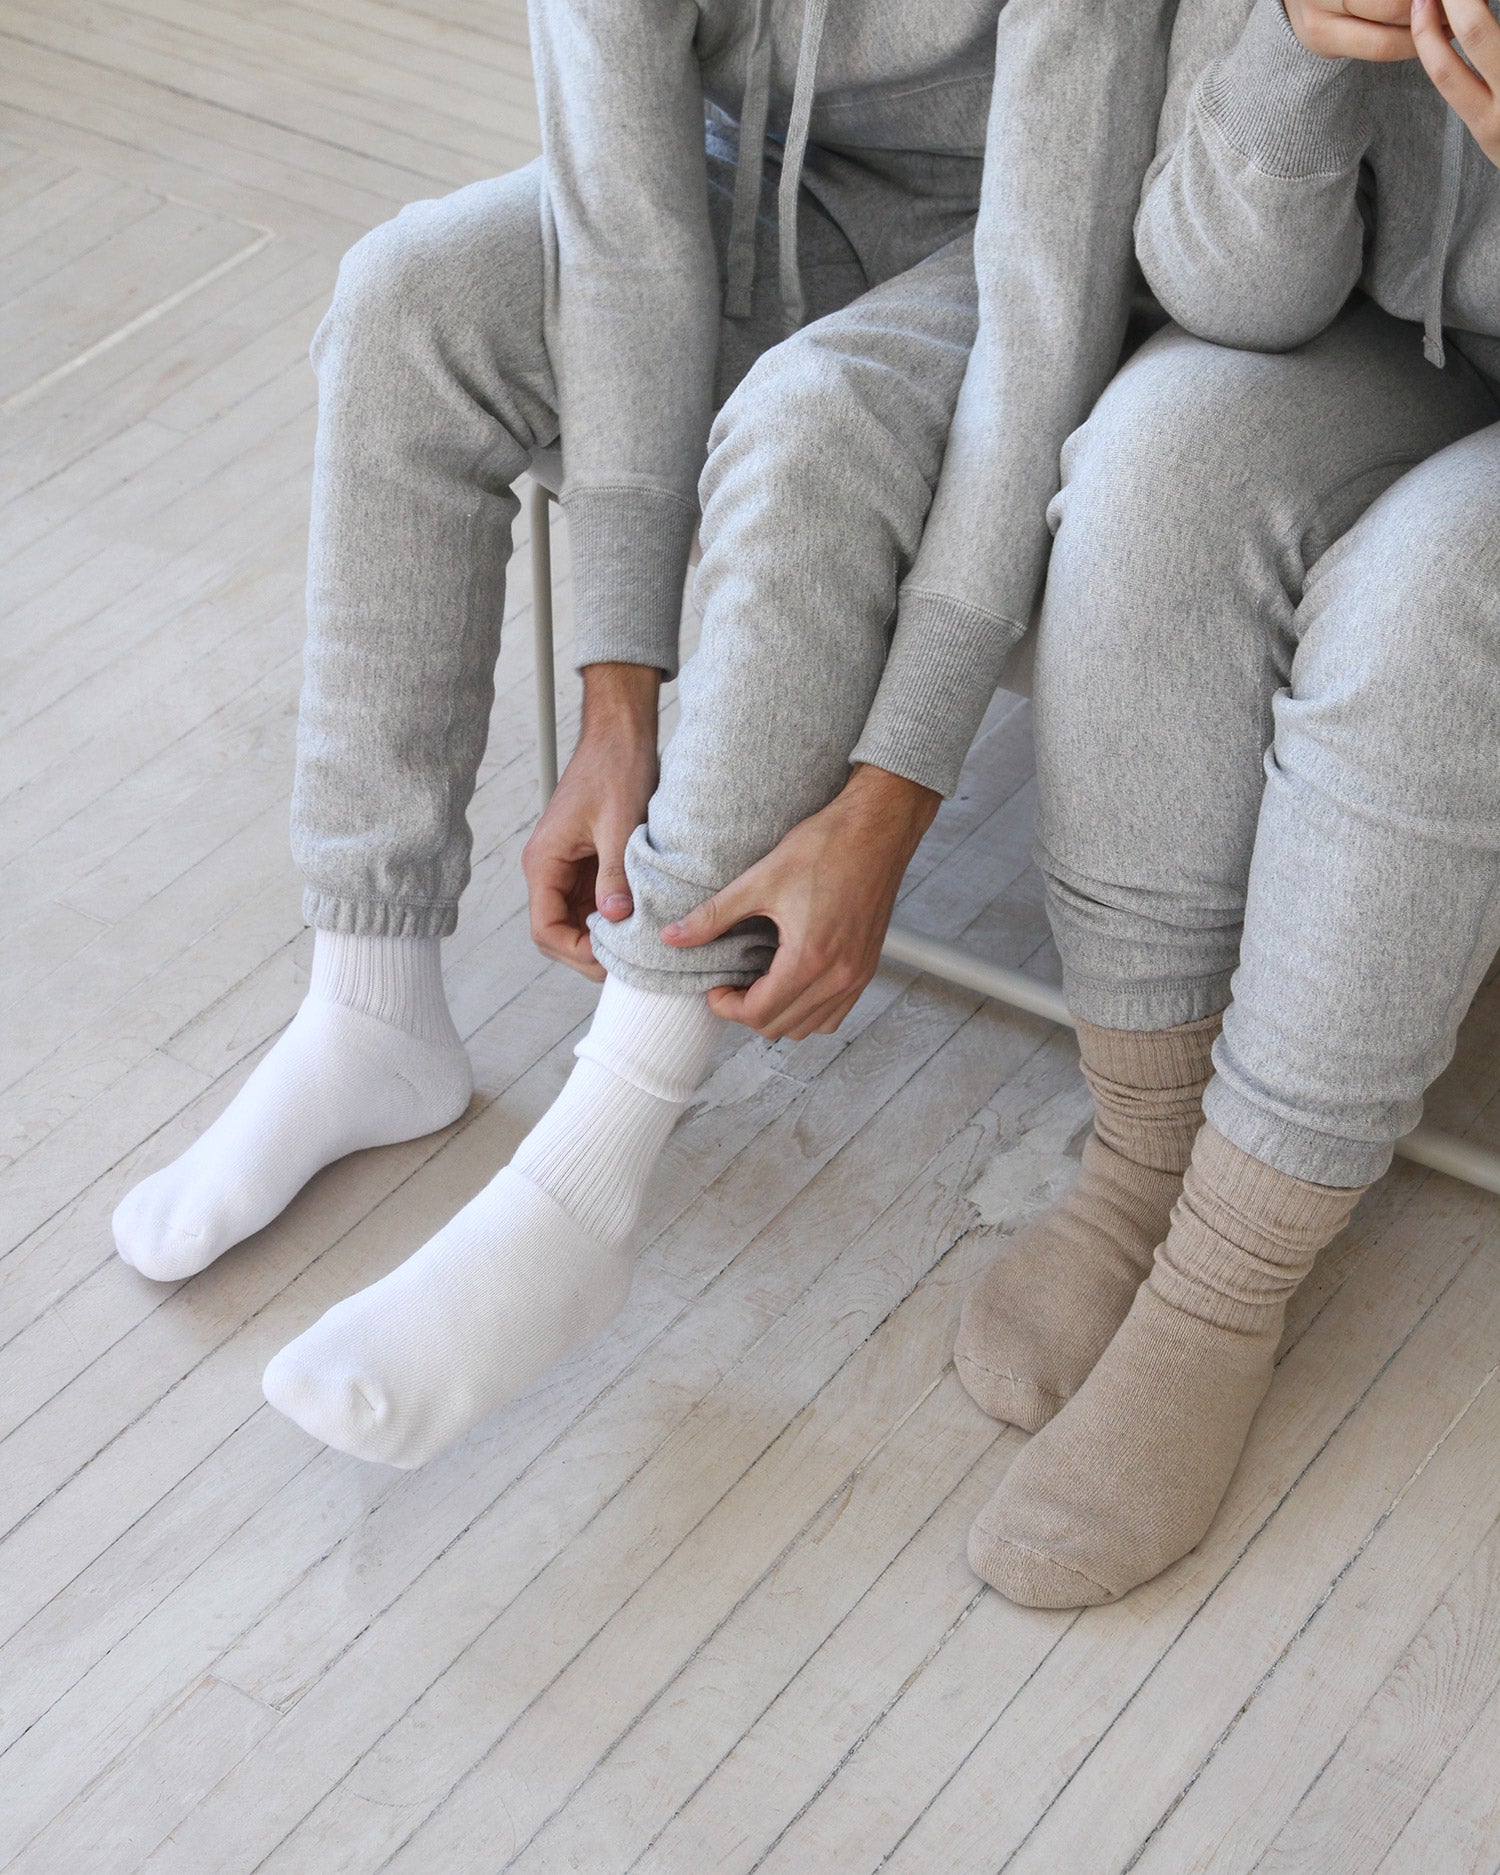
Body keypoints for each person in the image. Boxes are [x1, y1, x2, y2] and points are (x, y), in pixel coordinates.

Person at [111, 1, 1175, 1469]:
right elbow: (625, 229)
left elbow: (1048, 291)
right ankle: (370, 998)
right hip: (759, 186)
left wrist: (899, 789)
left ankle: (593, 1169)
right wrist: (621, 699)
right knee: (409, 296)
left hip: (1043, 227)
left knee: (814, 425)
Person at [955, 0, 1500, 1607]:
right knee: (1157, 459)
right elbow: (1227, 295)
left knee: (1434, 602)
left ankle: (1222, 1287)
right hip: (1395, 358)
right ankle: (1144, 1154)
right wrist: (1295, 47)